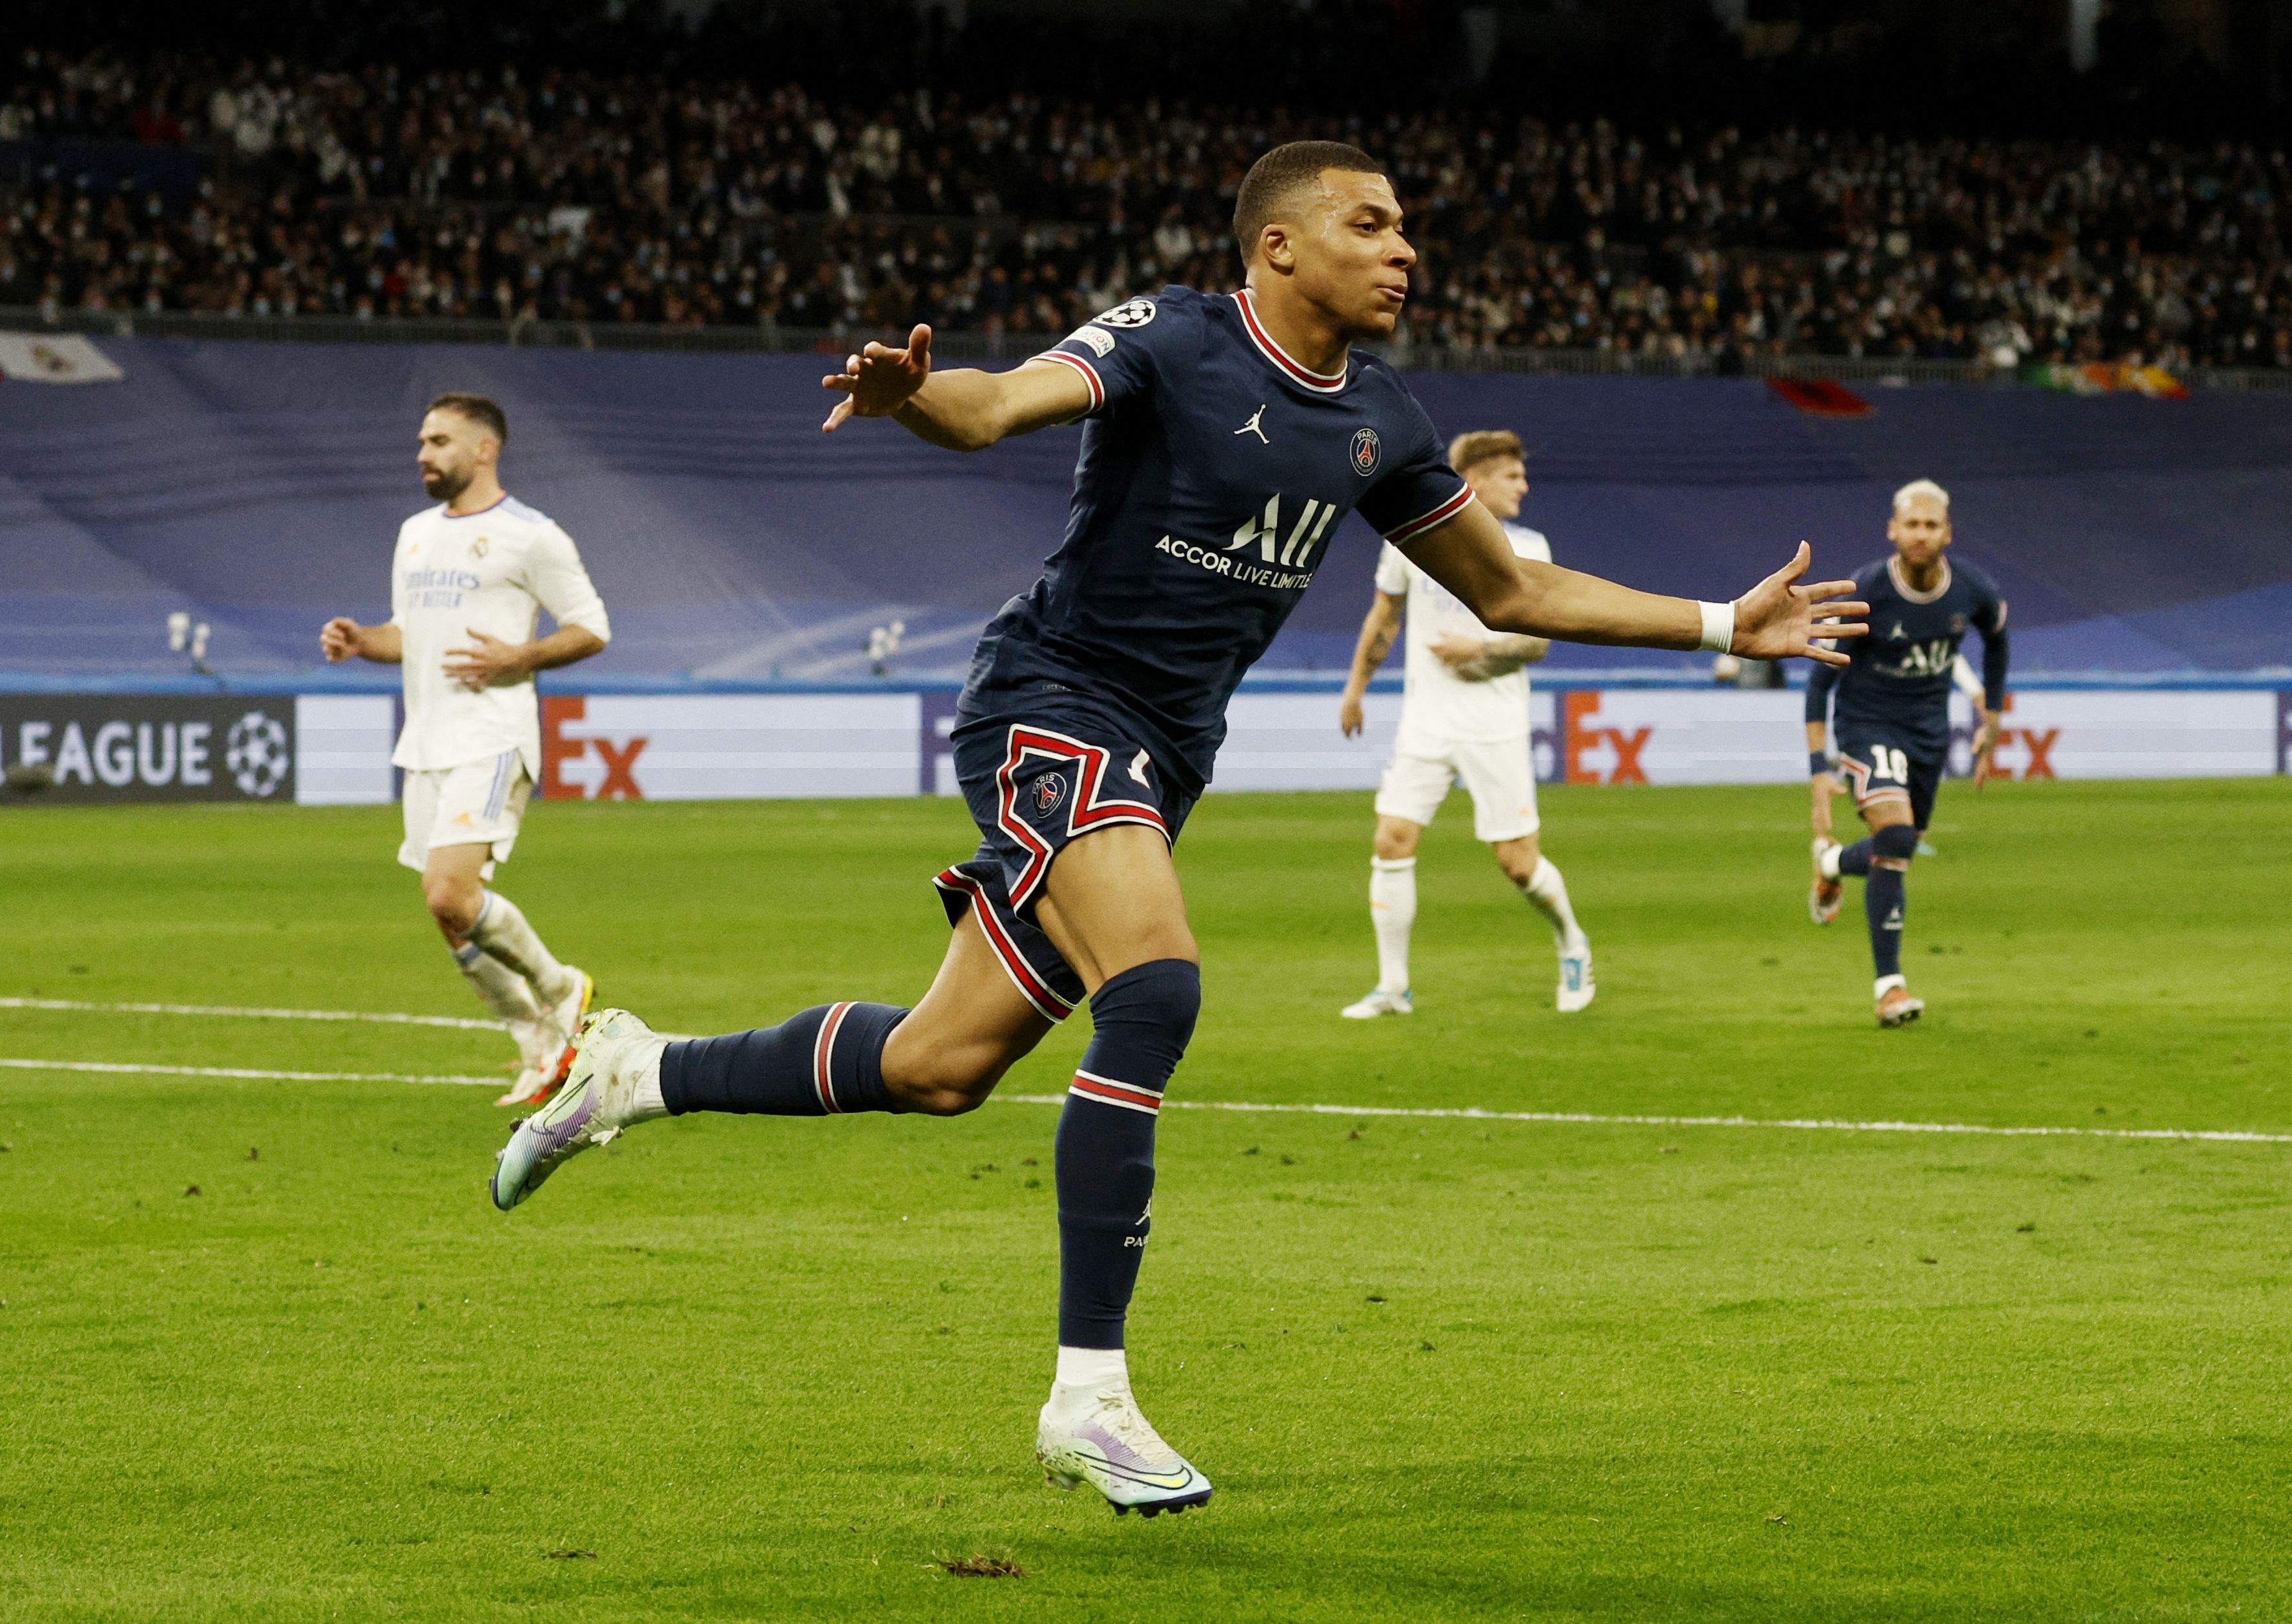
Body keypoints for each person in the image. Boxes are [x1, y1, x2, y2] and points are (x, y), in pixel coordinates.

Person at [488, 141, 1865, 1516]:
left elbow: (1507, 588)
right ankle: (1089, 1396)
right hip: (1050, 703)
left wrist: (1715, 624)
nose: (1404, 250)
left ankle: (637, 1072)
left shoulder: (1379, 413)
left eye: (1406, 228)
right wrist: (919, 401)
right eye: (1369, 224)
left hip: (1163, 755)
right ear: (1277, 246)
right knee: (1154, 988)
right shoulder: (1174, 336)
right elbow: (1000, 405)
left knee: (939, 1063)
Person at [320, 394, 610, 1106]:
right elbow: (407, 633)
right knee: (447, 911)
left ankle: (559, 988)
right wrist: (364, 641)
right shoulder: (414, 533)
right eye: (422, 440)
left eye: (440, 440)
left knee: (450, 889)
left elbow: (592, 626)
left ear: (484, 449)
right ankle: (532, 1036)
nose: (423, 452)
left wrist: (523, 654)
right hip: (425, 743)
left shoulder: (531, 536)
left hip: (493, 734)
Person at [1334, 428, 1591, 1017]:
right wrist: (1355, 689)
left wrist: (1480, 653)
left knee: (1517, 863)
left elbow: (1537, 643)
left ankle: (1572, 944)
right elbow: (1384, 618)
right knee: (1391, 841)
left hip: (1494, 721)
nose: (1524, 485)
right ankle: (1393, 986)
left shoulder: (1528, 545)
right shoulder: (1409, 541)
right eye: (1512, 475)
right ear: (1474, 479)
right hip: (1425, 720)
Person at [1804, 479, 2006, 1027]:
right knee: (1894, 838)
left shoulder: (1972, 590)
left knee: (1899, 847)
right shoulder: (1867, 590)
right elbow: (1820, 681)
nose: (1920, 534)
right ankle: (1889, 988)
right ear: (1892, 531)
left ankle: (1830, 862)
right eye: (1911, 524)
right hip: (1866, 724)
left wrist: (1991, 721)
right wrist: (1818, 769)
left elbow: (1997, 640)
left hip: (1927, 736)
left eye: (1931, 525)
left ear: (1947, 533)